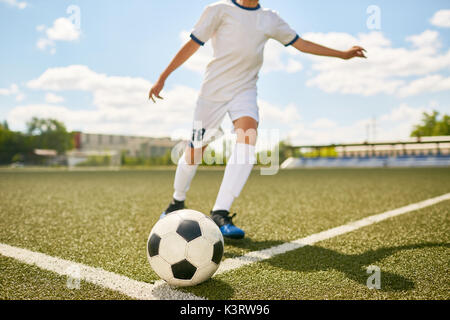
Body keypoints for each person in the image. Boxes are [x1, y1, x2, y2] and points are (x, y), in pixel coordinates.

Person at [149, 0, 366, 239]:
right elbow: (192, 45)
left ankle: (220, 212)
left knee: (248, 137)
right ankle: (177, 201)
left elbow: (301, 44)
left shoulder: (269, 19)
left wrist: (342, 54)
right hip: (212, 93)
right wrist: (163, 77)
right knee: (196, 150)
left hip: (244, 90)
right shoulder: (218, 10)